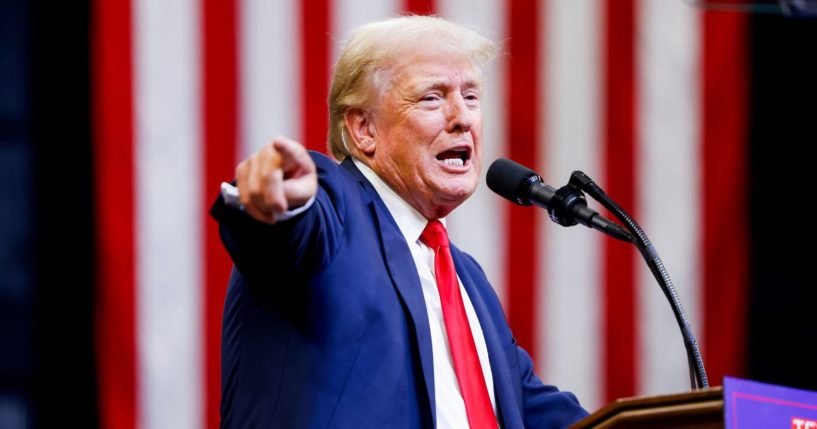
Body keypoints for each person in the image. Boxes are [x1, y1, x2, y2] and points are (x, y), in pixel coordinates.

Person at [211, 16, 588, 428]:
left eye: (471, 96)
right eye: (431, 97)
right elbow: (285, 238)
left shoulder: (467, 280)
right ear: (363, 129)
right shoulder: (336, 210)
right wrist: (278, 206)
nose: (462, 117)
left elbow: (532, 408)